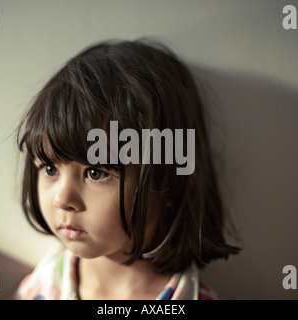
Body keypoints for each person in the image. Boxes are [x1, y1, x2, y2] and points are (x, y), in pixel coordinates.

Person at [13, 39, 240, 300]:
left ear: (169, 180)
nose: (62, 199)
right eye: (50, 168)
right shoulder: (39, 288)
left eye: (96, 173)